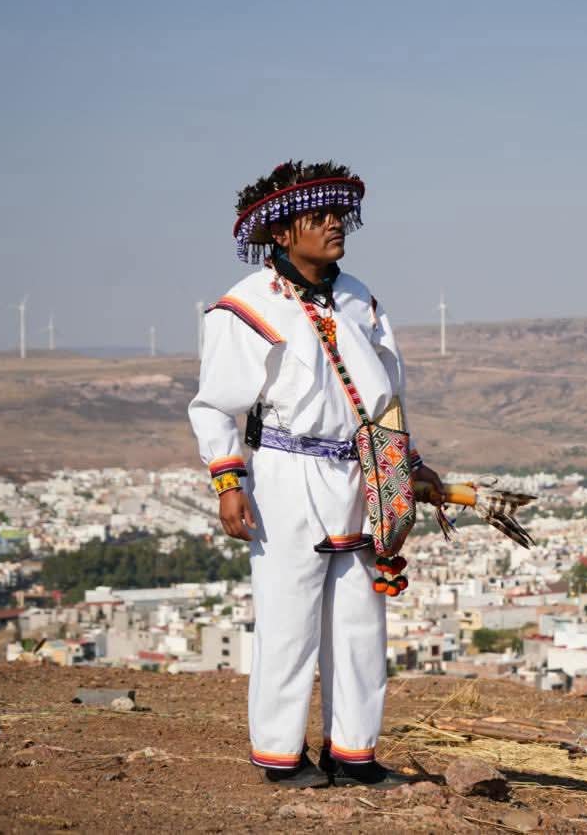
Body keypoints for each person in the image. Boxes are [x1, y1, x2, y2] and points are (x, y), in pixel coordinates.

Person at [189, 160, 443, 789]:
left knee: (360, 620)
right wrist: (229, 483)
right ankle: (279, 756)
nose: (335, 225)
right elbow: (216, 405)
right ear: (280, 232)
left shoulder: (360, 296)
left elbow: (384, 395)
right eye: (319, 215)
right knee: (288, 619)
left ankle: (353, 754)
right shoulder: (245, 306)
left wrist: (406, 467)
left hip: (360, 475)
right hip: (285, 473)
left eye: (340, 214)